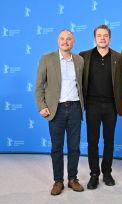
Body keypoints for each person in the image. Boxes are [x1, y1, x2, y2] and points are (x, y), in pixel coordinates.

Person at [35, 30, 84, 195]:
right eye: (62, 39)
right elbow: (39, 85)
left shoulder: (79, 60)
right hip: (57, 110)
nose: (65, 41)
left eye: (69, 39)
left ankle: (72, 179)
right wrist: (41, 105)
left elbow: (82, 85)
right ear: (58, 41)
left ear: (73, 42)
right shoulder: (47, 59)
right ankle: (58, 181)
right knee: (57, 147)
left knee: (74, 147)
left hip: (75, 108)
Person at [79, 25, 122, 189]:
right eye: (99, 35)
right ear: (95, 38)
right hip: (91, 105)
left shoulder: (118, 57)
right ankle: (94, 174)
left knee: (109, 141)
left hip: (111, 105)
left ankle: (106, 172)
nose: (103, 38)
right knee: (92, 141)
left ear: (110, 38)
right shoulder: (84, 56)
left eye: (106, 35)